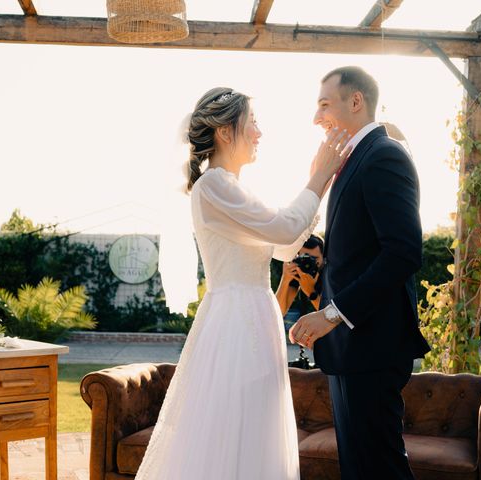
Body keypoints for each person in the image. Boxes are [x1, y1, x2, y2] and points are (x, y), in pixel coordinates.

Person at [135, 87, 351, 479]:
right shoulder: (213, 186)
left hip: (256, 314)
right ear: (224, 131)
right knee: (234, 431)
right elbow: (285, 228)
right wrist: (318, 176)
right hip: (234, 323)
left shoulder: (234, 188)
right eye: (252, 121)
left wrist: (315, 188)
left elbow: (285, 246)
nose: (258, 132)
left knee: (256, 431)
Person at [289, 66, 431, 479]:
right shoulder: (352, 160)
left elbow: (402, 253)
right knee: (359, 469)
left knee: (379, 468)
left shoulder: (384, 155)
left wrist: (332, 313)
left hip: (372, 345)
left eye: (324, 105)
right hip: (353, 348)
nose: (317, 118)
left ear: (356, 102)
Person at [275, 233, 324, 317]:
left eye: (314, 259)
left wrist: (311, 292)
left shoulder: (329, 274)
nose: (308, 263)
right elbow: (277, 313)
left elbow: (333, 316)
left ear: (324, 257)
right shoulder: (298, 271)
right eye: (305, 258)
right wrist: (285, 279)